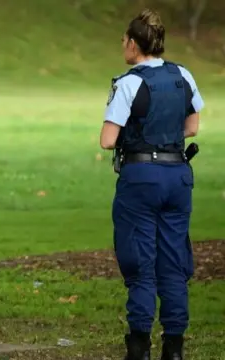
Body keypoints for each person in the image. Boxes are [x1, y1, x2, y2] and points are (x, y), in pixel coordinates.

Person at [99, 9, 204, 360]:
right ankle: (173, 348)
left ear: (133, 43)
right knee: (173, 263)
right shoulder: (183, 75)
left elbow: (107, 139)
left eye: (123, 41)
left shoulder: (129, 83)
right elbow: (191, 127)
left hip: (141, 179)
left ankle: (140, 347)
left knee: (140, 263)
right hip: (178, 177)